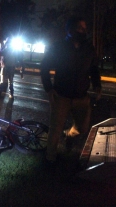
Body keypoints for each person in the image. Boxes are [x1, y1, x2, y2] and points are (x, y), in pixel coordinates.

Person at [40, 16, 102, 164]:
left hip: (82, 97)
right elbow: (44, 68)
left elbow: (94, 69)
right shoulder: (58, 47)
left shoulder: (89, 48)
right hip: (61, 96)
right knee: (55, 130)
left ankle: (69, 134)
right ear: (69, 30)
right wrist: (49, 89)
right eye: (80, 27)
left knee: (82, 128)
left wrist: (97, 85)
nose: (84, 31)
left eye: (85, 28)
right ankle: (50, 158)